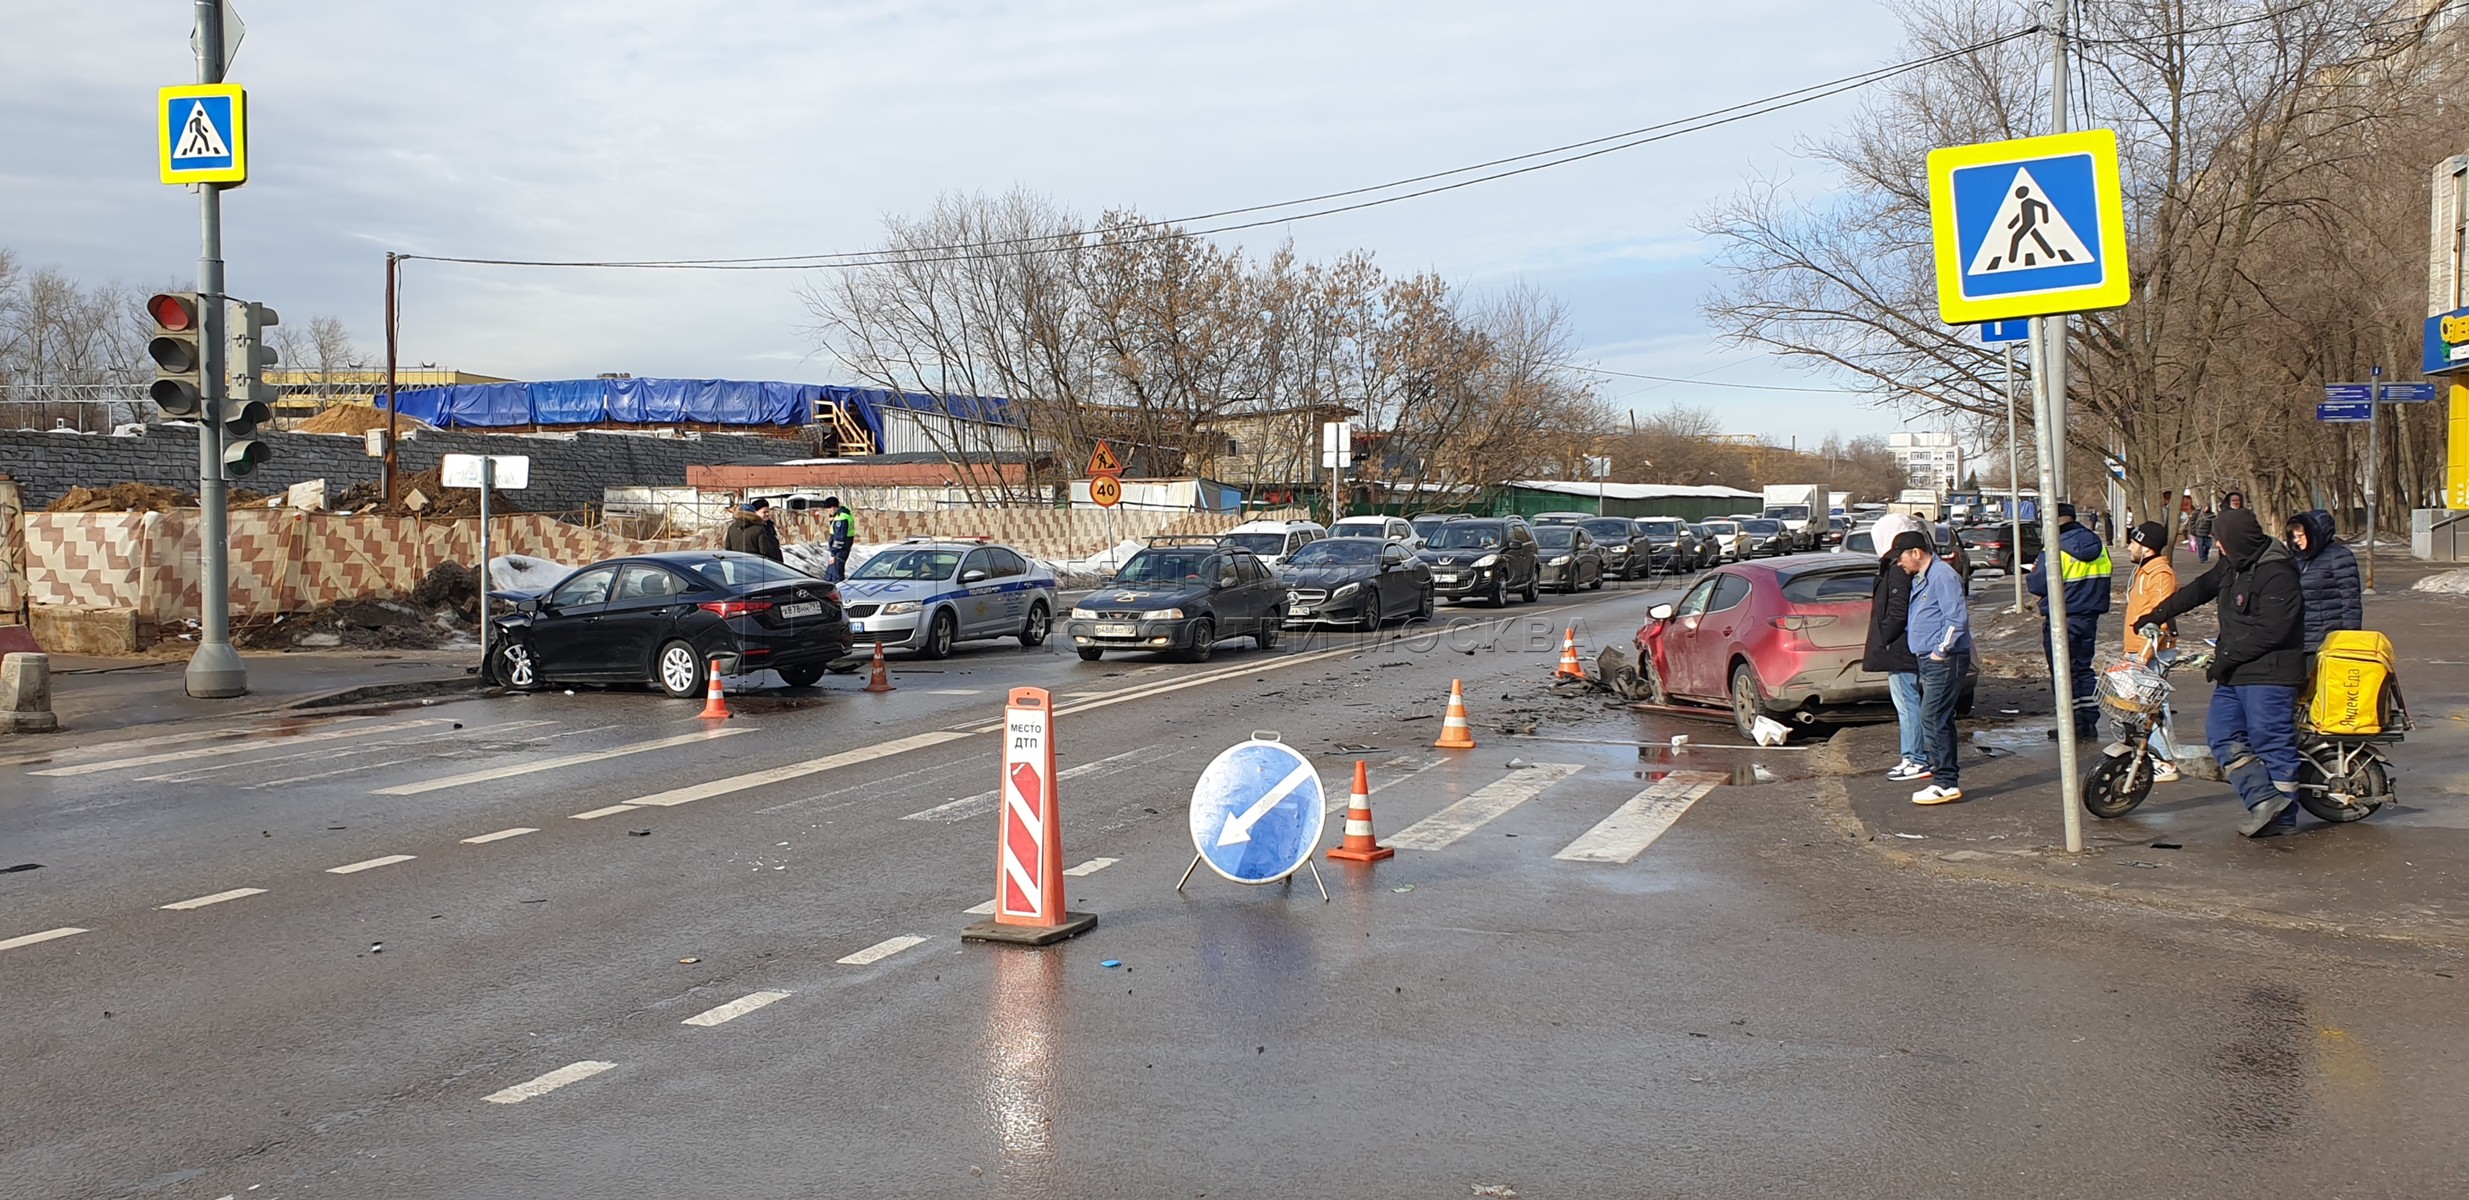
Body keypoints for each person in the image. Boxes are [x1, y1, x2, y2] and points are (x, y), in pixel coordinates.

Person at [2139, 509, 2308, 837]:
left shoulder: (2277, 573)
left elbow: (2273, 631)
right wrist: (2157, 615)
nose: (2216, 544)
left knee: (2269, 741)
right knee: (2221, 734)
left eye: (2221, 539)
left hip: (2270, 673)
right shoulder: (2232, 563)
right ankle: (2263, 800)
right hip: (2235, 669)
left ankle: (2283, 817)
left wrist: (2223, 658)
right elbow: (2199, 589)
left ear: (2237, 541)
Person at [2025, 502, 2113, 740]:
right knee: (2083, 669)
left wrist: (2033, 573)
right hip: (2089, 617)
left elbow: (2038, 584)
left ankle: (2070, 724)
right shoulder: (2098, 545)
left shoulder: (2055, 548)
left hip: (2061, 618)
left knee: (2063, 673)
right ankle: (2088, 722)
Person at [1899, 530, 1973, 805]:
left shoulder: (1942, 575)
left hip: (1945, 660)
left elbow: (1956, 618)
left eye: (1901, 557)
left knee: (1931, 717)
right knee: (1937, 718)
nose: (1900, 563)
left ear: (1916, 553)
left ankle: (1944, 782)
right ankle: (1944, 777)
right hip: (1930, 659)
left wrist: (1940, 651)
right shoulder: (1925, 577)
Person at [1861, 514, 1927, 782]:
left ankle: (1915, 758)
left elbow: (1897, 612)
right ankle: (1911, 756)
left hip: (1899, 647)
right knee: (1907, 702)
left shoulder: (1896, 570)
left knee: (1907, 703)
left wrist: (1885, 636)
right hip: (1902, 645)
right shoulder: (1898, 568)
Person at [2121, 522, 2181, 783]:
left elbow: (2159, 619)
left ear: (2146, 547)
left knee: (2153, 707)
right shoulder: (2145, 571)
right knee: (2145, 708)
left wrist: (2143, 657)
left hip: (2152, 654)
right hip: (2140, 652)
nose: (2129, 547)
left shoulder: (2160, 575)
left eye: (2134, 542)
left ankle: (2165, 761)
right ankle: (2152, 755)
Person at [2288, 509, 2362, 655]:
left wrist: (2349, 638)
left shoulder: (2339, 557)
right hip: (2300, 637)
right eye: (2294, 536)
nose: (2297, 540)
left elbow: (2350, 600)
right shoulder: (2297, 558)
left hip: (2327, 638)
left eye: (2301, 536)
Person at [724, 498, 783, 563]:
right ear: (754, 514)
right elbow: (765, 551)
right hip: (756, 565)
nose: (767, 514)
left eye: (768, 512)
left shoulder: (732, 528)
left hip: (738, 565)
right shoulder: (759, 528)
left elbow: (728, 550)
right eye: (764, 512)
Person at [819, 496, 856, 583]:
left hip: (840, 550)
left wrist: (833, 554)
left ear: (832, 508)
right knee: (830, 575)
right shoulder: (844, 514)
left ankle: (839, 593)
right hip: (843, 547)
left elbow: (839, 537)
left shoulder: (841, 518)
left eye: (828, 509)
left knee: (836, 576)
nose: (827, 511)